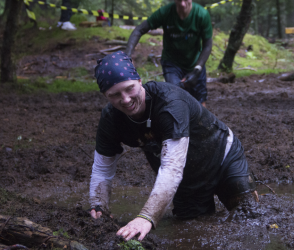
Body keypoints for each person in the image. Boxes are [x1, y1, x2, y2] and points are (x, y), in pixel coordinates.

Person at [88, 51, 257, 242]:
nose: (126, 99)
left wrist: (146, 217)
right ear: (105, 95)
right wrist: (99, 206)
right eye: (115, 95)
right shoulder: (111, 119)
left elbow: (171, 168)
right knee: (193, 235)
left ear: (140, 81)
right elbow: (102, 169)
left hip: (223, 159)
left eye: (129, 89)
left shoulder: (169, 102)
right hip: (187, 180)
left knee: (249, 218)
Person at [124, 0, 213, 107]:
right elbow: (139, 30)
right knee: (175, 96)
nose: (183, 4)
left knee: (200, 101)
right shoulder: (165, 13)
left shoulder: (201, 15)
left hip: (195, 62)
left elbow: (207, 44)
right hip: (172, 63)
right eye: (179, 0)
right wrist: (127, 57)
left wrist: (197, 69)